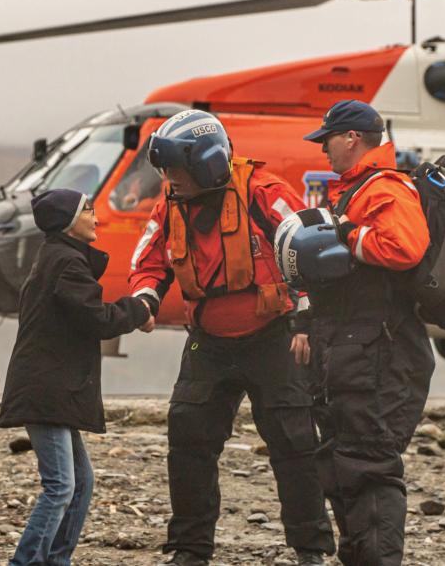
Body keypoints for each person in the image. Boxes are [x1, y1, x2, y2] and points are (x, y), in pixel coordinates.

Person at [128, 110, 334, 566]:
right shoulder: (171, 203)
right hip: (209, 341)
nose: (167, 179)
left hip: (273, 336)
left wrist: (304, 321)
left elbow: (311, 248)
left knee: (294, 442)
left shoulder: (262, 191)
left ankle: (310, 549)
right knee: (188, 439)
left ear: (206, 163)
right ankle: (190, 549)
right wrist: (144, 299)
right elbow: (149, 259)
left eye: (174, 169)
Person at [300, 100, 435, 566]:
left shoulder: (385, 188)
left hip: (378, 356)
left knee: (369, 466)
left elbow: (405, 247)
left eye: (328, 141)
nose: (324, 151)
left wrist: (345, 238)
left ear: (352, 138)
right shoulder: (356, 190)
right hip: (350, 352)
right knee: (339, 462)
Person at [0, 188, 155, 566]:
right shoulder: (66, 264)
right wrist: (139, 309)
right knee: (61, 486)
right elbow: (98, 318)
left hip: (55, 389)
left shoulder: (59, 258)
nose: (96, 216)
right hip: (47, 390)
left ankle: (56, 560)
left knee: (81, 483)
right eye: (88, 209)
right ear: (69, 221)